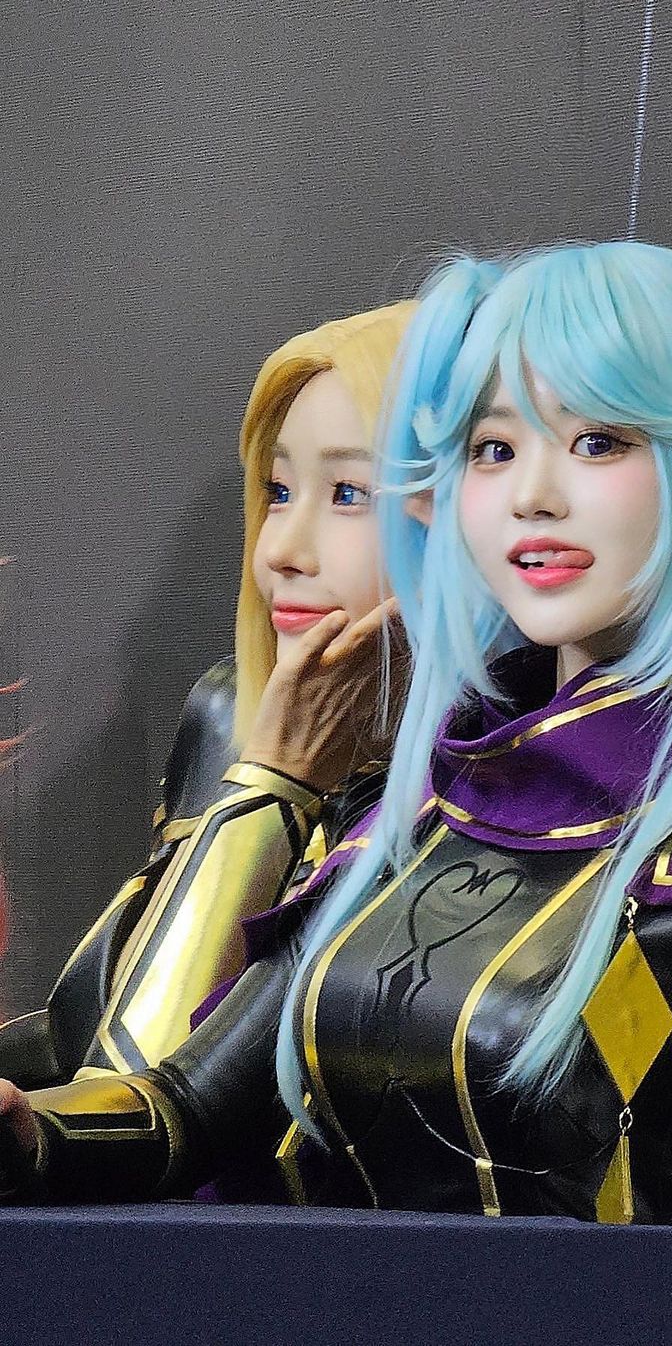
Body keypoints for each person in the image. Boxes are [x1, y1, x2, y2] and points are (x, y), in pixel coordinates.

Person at [0, 244, 672, 1343]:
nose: (534, 496)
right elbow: (187, 1109)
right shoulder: (417, 808)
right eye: (493, 449)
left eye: (599, 442)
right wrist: (29, 1136)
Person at [0, 301, 414, 1089]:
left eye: (350, 493)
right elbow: (98, 1031)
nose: (281, 550)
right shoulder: (231, 712)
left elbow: (141, 1089)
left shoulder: (516, 782)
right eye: (279, 491)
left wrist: (277, 780)